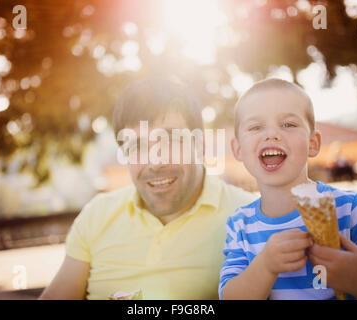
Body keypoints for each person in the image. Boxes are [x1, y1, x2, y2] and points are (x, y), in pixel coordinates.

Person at [39, 78, 257, 299]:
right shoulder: (96, 215)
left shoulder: (252, 217)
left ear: (199, 145)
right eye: (137, 146)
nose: (155, 162)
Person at [219, 78, 357, 300]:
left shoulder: (352, 211)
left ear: (313, 143)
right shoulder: (240, 226)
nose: (271, 134)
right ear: (238, 149)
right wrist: (264, 266)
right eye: (255, 127)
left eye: (288, 124)